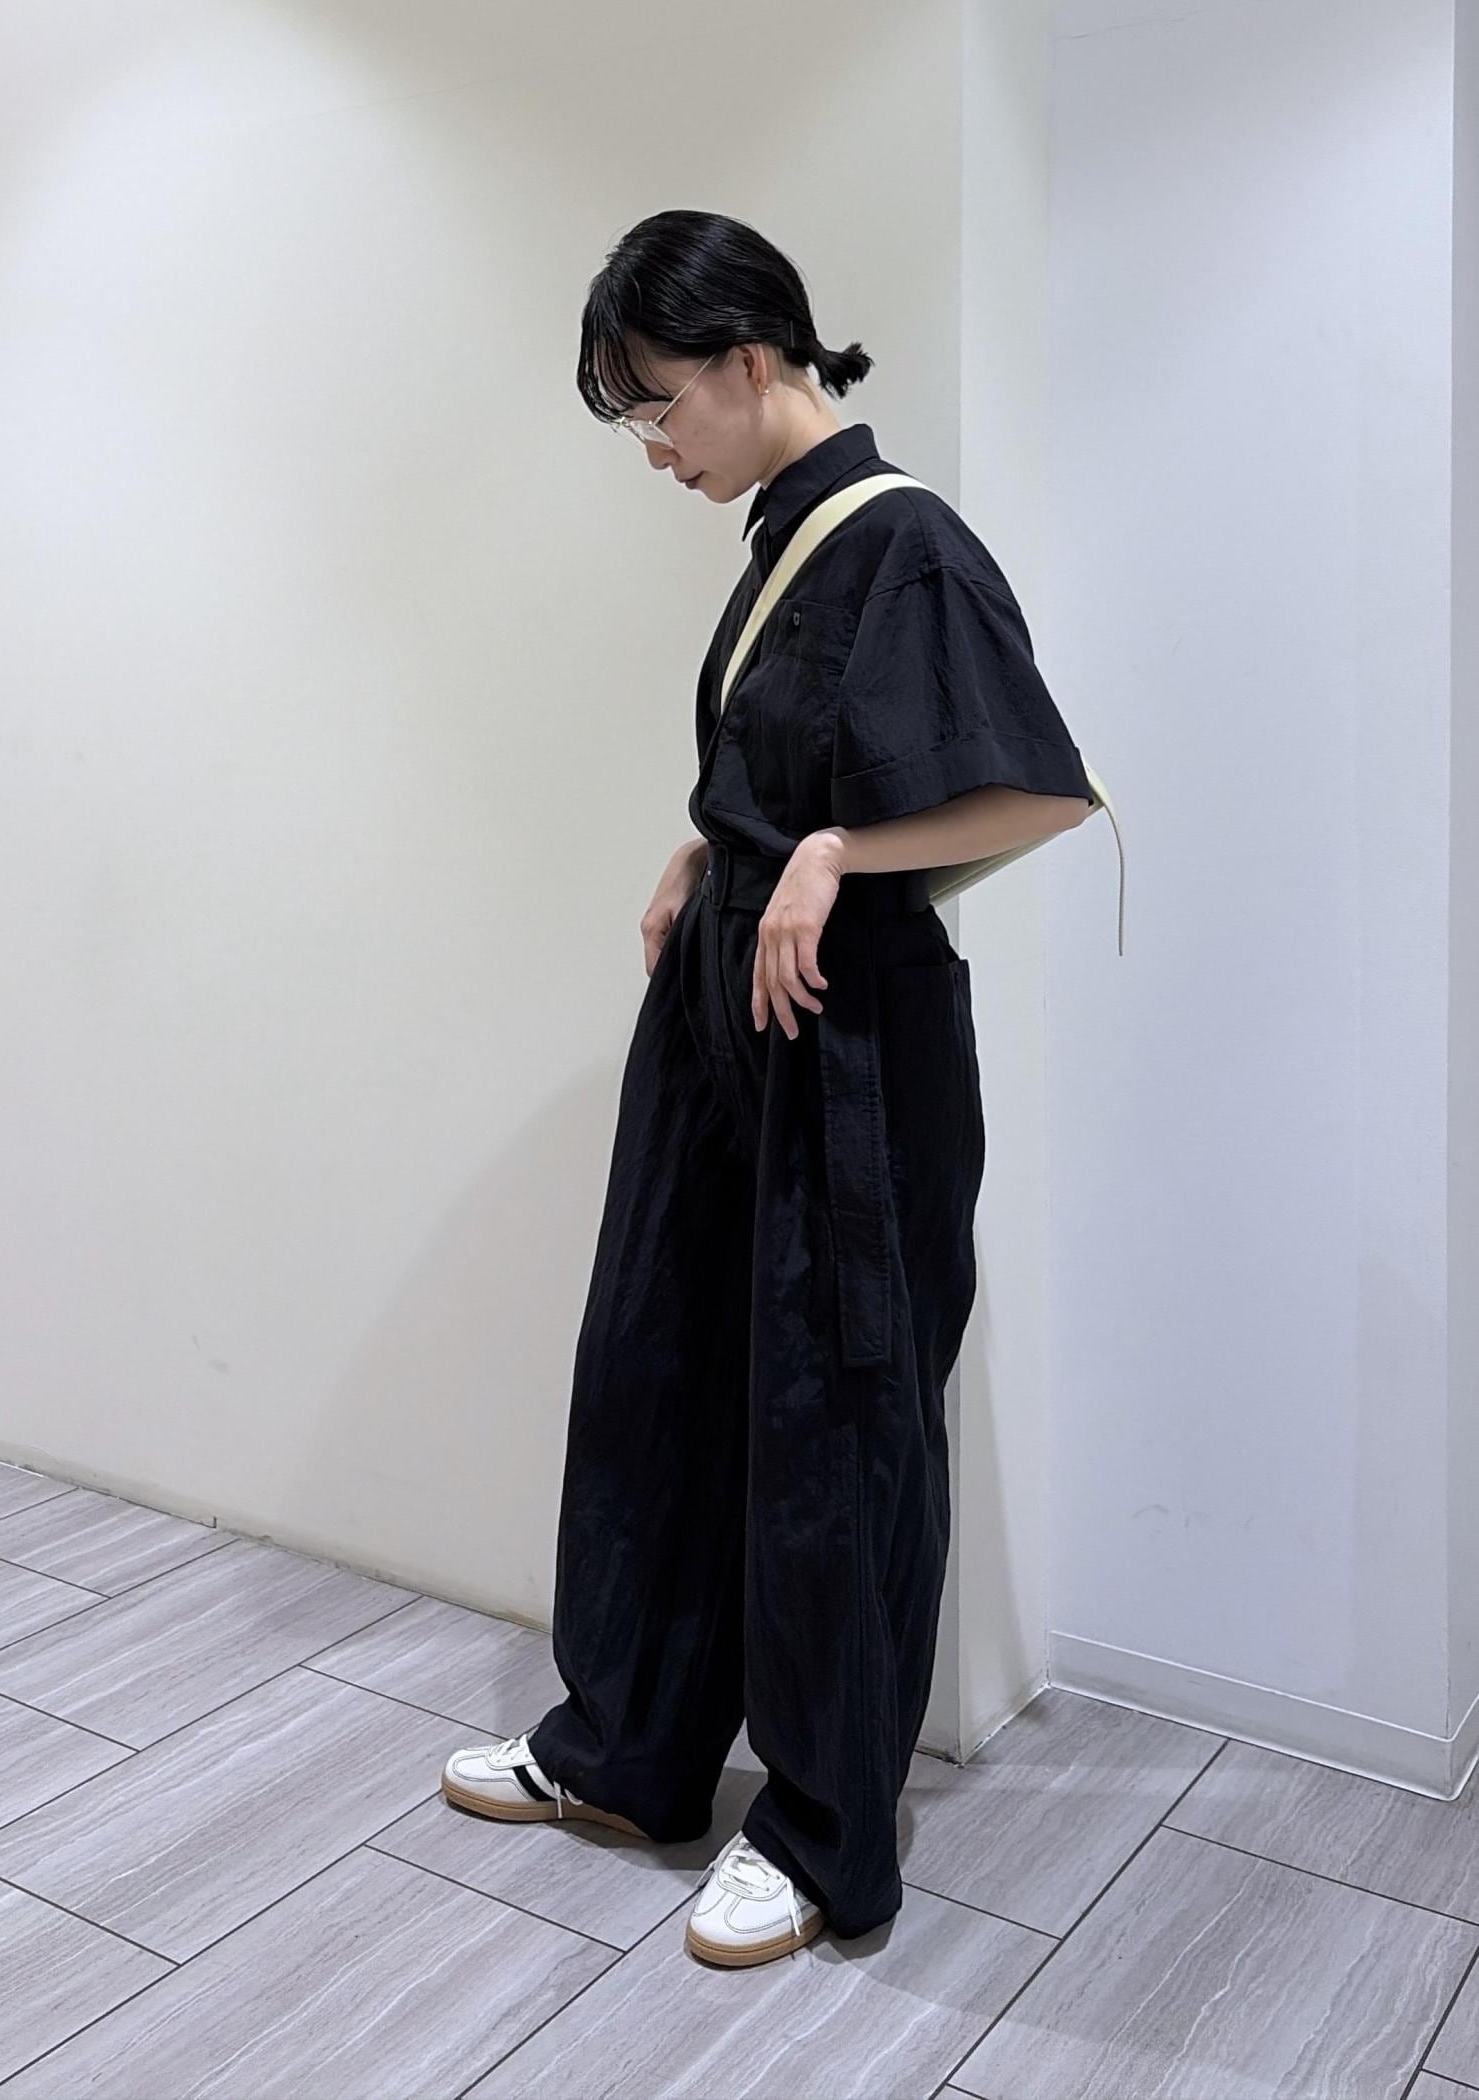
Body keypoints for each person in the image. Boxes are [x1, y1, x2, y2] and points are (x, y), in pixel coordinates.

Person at [440, 210, 1093, 1969]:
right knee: (657, 1364)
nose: (653, 447)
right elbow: (794, 765)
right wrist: (711, 845)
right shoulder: (786, 536)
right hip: (727, 1011)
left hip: (850, 1038)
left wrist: (830, 856)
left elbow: (1042, 790)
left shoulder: (905, 540)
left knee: (834, 1416)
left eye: (658, 405)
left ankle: (817, 1833)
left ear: (750, 357)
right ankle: (628, 1753)